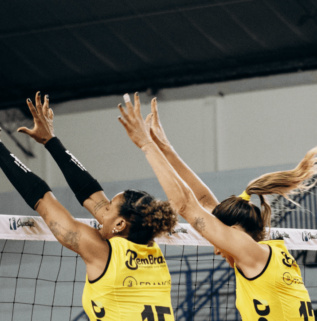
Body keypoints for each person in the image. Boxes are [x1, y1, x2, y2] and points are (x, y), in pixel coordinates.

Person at [0, 93, 177, 320]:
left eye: (108, 208)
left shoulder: (103, 253)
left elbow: (43, 200)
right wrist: (50, 141)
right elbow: (90, 193)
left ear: (119, 223)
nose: (101, 209)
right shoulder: (151, 247)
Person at [118, 92, 316, 320]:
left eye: (217, 240)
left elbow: (185, 205)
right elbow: (202, 201)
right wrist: (165, 148)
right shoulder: (265, 253)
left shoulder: (251, 252)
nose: (216, 249)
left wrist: (146, 145)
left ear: (233, 231)